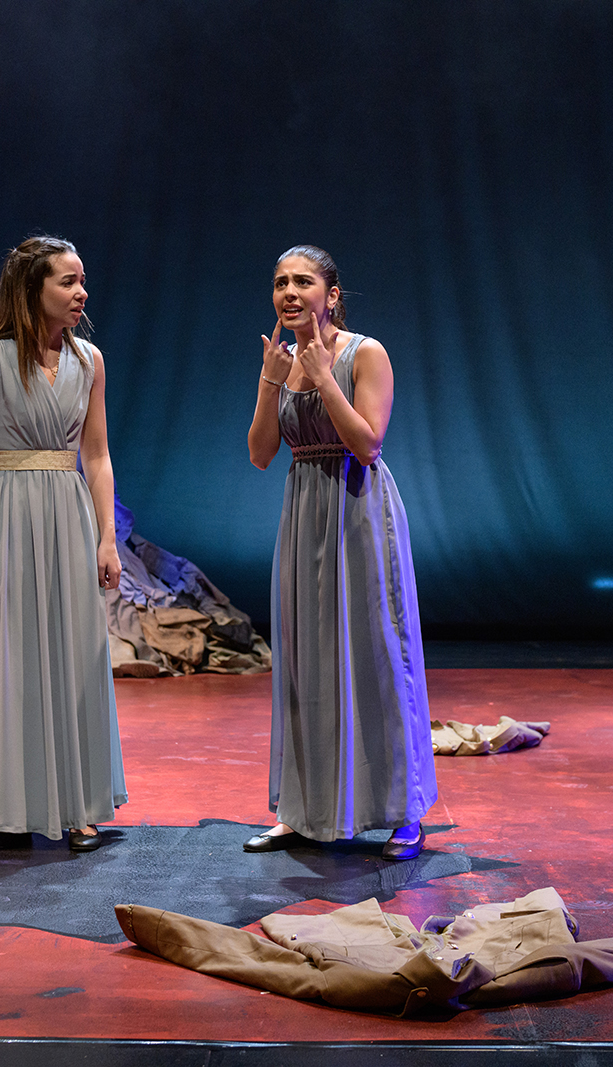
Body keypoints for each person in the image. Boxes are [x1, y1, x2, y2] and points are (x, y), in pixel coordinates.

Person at [244, 244, 438, 861]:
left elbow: (367, 444)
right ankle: (304, 810)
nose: (290, 293)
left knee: (378, 656)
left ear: (331, 295)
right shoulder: (280, 362)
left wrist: (324, 375)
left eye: (304, 282)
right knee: (306, 662)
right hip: (304, 512)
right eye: (280, 283)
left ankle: (404, 812)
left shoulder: (365, 352)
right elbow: (259, 452)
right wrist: (273, 381)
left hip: (356, 510)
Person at [0, 235, 125, 852]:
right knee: (10, 658)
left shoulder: (90, 361)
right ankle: (5, 808)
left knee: (74, 656)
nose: (82, 293)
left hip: (67, 514)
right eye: (67, 282)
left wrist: (106, 537)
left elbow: (96, 456)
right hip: (6, 511)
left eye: (81, 280)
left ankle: (80, 803)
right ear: (32, 289)